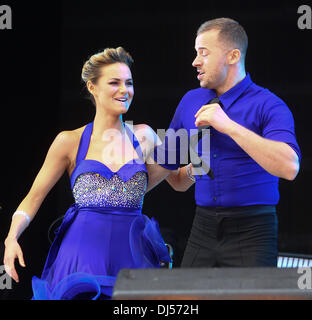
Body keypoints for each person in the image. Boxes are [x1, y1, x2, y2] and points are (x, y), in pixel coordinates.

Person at [3, 47, 191, 300]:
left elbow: (179, 182)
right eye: (114, 82)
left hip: (131, 254)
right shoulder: (69, 141)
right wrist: (11, 237)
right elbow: (34, 197)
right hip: (81, 257)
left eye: (129, 83)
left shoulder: (144, 136)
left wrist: (201, 166)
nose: (125, 90)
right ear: (92, 87)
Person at [155, 18, 301, 267]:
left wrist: (228, 126)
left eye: (203, 53)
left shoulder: (269, 104)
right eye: (195, 53)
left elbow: (290, 167)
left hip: (253, 230)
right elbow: (174, 178)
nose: (195, 62)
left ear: (233, 56)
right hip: (202, 227)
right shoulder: (190, 100)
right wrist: (149, 145)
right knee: (188, 302)